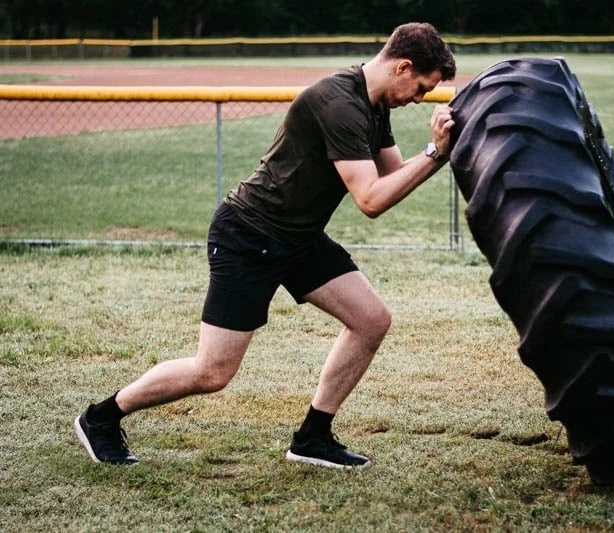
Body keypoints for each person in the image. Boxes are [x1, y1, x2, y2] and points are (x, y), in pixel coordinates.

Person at [74, 22, 457, 469]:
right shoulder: (340, 104)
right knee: (213, 371)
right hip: (249, 234)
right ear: (403, 67)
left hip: (298, 238)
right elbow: (371, 200)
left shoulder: (374, 106)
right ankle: (101, 418)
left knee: (371, 320)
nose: (419, 98)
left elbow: (392, 176)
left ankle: (312, 438)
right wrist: (435, 153)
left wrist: (442, 150)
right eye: (421, 87)